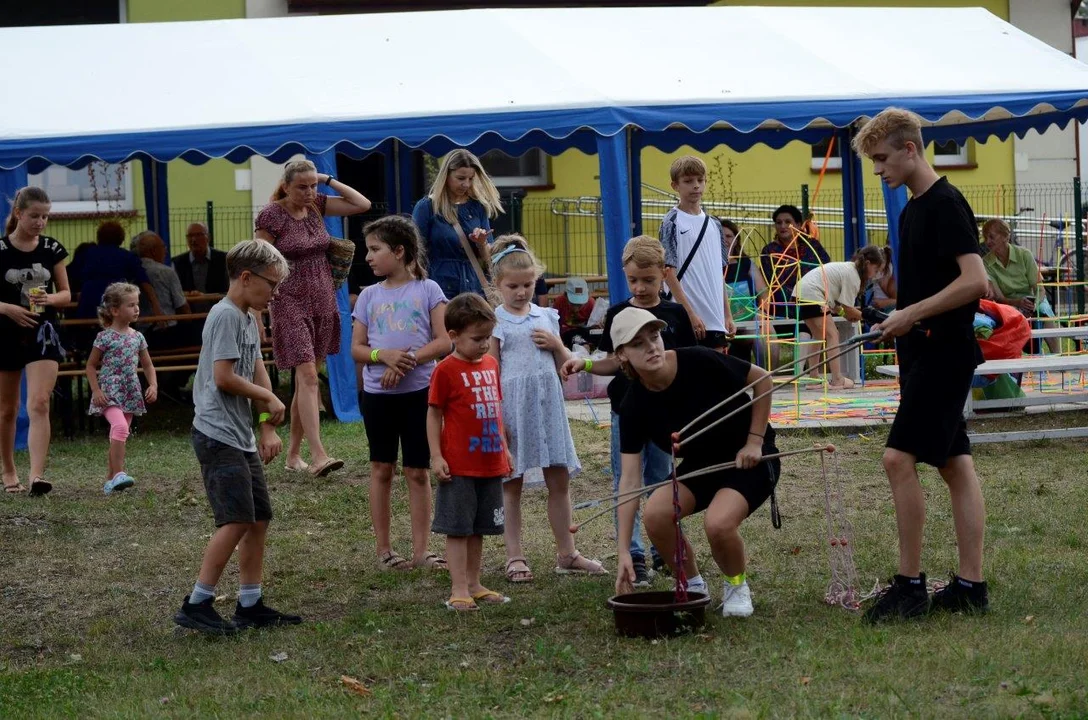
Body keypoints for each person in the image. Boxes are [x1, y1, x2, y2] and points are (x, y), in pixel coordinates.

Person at [852, 108, 990, 623]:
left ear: (910, 149)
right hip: (920, 353)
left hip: (945, 354)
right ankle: (970, 587)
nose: (878, 169)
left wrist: (911, 312)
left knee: (896, 459)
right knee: (955, 464)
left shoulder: (947, 203)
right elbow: (924, 290)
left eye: (883, 158)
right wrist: (896, 317)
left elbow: (975, 281)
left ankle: (910, 585)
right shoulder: (910, 210)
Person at [609, 308, 780, 616]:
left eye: (654, 336)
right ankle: (693, 585)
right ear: (621, 355)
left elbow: (763, 381)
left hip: (749, 456)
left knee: (718, 524)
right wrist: (623, 550)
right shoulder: (633, 404)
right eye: (638, 344)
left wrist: (754, 441)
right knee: (656, 515)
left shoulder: (698, 360)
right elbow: (630, 481)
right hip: (704, 464)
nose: (651, 347)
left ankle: (736, 585)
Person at [174, 239, 300, 635]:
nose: (275, 293)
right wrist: (266, 396)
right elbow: (224, 377)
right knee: (236, 519)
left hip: (239, 436)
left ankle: (250, 603)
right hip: (217, 435)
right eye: (272, 285)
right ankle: (197, 603)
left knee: (258, 517)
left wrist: (266, 423)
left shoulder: (248, 315)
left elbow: (256, 366)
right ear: (246, 278)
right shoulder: (225, 315)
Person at [562, 235, 697, 584]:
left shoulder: (675, 315)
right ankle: (633, 553)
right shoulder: (619, 314)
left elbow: (685, 364)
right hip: (627, 410)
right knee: (628, 481)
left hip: (665, 414)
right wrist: (586, 366)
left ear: (663, 276)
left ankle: (663, 548)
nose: (640, 287)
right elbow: (612, 362)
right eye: (633, 280)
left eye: (649, 280)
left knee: (662, 480)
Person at [489, 234, 605, 582]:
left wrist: (557, 344)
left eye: (527, 284)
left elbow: (567, 364)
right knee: (512, 485)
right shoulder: (496, 320)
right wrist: (496, 418)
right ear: (498, 285)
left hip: (548, 408)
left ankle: (567, 554)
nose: (522, 292)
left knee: (559, 481)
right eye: (513, 286)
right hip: (513, 409)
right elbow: (492, 370)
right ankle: (514, 556)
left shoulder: (547, 316)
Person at [254, 159, 371, 478]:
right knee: (306, 376)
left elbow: (362, 204)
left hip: (322, 298)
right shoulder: (271, 215)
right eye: (302, 187)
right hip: (289, 300)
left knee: (308, 377)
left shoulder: (318, 204)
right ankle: (319, 455)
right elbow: (259, 259)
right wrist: (257, 308)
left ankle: (293, 455)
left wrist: (328, 180)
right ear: (286, 185)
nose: (309, 192)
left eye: (312, 186)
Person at [350, 216, 450, 571]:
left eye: (375, 249)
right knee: (381, 467)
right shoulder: (368, 295)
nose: (368, 257)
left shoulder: (428, 290)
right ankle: (384, 551)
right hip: (377, 396)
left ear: (399, 250)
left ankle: (422, 552)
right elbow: (358, 349)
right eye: (368, 250)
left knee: (418, 471)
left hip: (419, 394)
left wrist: (405, 361)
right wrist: (384, 357)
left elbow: (443, 340)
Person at [427, 293, 513, 611]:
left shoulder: (490, 364)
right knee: (458, 528)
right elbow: (434, 413)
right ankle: (458, 588)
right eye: (477, 338)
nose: (484, 345)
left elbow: (497, 409)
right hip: (459, 465)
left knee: (480, 527)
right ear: (453, 336)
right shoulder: (445, 371)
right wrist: (437, 455)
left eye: (488, 337)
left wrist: (504, 449)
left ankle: (475, 583)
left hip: (490, 462)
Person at [0, 187, 70, 496]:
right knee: (7, 409)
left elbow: (67, 294)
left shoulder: (52, 249)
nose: (41, 222)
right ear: (18, 214)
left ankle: (37, 476)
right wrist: (8, 309)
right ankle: (8, 470)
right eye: (34, 216)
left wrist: (50, 297)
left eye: (45, 216)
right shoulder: (1, 250)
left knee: (39, 402)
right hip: (5, 331)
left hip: (43, 332)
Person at [85, 282, 158, 494]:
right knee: (120, 428)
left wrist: (153, 384)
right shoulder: (104, 337)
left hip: (130, 391)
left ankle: (110, 479)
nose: (137, 309)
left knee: (119, 434)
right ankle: (119, 473)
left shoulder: (138, 337)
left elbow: (147, 364)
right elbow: (90, 366)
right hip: (109, 392)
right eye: (131, 305)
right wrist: (96, 390)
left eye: (137, 304)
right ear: (115, 310)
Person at [659, 156, 735, 349]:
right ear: (675, 185)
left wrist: (727, 314)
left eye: (700, 180)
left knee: (715, 372)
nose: (696, 186)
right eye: (688, 181)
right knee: (686, 373)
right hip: (684, 315)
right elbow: (668, 272)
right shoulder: (672, 221)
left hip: (715, 315)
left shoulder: (714, 224)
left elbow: (719, 274)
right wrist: (689, 314)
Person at [411, 149, 504, 301]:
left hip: (474, 286)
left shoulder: (478, 207)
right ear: (446, 175)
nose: (466, 184)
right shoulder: (427, 207)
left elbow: (489, 258)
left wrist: (481, 243)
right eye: (460, 178)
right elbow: (414, 252)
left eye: (471, 178)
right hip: (439, 286)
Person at [793, 246, 887, 389]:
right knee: (832, 334)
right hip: (813, 293)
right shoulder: (853, 275)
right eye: (876, 270)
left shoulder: (849, 269)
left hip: (801, 292)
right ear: (868, 263)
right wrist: (866, 316)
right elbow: (849, 309)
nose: (875, 275)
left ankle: (814, 379)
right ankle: (837, 379)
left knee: (818, 334)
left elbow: (839, 307)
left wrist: (847, 314)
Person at [759, 205, 830, 365]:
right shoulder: (769, 251)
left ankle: (820, 373)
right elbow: (771, 281)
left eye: (787, 222)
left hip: (812, 302)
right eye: (778, 222)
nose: (783, 226)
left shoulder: (812, 246)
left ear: (798, 225)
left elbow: (826, 270)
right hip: (782, 307)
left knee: (819, 325)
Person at [982, 219, 1060, 354]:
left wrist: (1034, 304)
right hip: (1009, 303)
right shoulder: (986, 262)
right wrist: (1017, 303)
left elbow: (1039, 289)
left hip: (1033, 298)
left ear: (1006, 236)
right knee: (1006, 314)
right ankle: (1020, 356)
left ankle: (1058, 357)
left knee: (1044, 311)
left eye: (991, 237)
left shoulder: (1024, 255)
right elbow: (1000, 298)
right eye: (985, 237)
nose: (987, 241)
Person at [69, 220, 164, 324]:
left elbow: (69, 273)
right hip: (115, 306)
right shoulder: (127, 257)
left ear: (99, 236)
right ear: (121, 238)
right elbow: (144, 282)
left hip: (88, 305)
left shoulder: (87, 254)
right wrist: (156, 307)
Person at [134, 231, 192, 344]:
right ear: (153, 251)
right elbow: (182, 307)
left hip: (139, 333)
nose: (166, 251)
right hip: (167, 332)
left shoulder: (131, 272)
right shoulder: (166, 272)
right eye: (163, 247)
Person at [722, 219, 766, 365]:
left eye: (728, 236)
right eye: (720, 236)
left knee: (766, 330)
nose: (724, 240)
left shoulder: (746, 263)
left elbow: (763, 292)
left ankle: (769, 376)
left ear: (736, 240)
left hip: (748, 316)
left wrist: (762, 313)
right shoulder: (710, 265)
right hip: (722, 319)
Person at [173, 222, 229, 296]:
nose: (193, 240)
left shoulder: (223, 259)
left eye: (198, 235)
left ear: (208, 237)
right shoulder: (178, 263)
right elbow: (175, 293)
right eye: (190, 236)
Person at [551, 277, 597, 347]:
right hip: (567, 334)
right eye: (573, 303)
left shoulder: (591, 303)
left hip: (585, 332)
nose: (576, 308)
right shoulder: (559, 302)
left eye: (580, 304)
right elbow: (554, 325)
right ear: (565, 296)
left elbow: (594, 325)